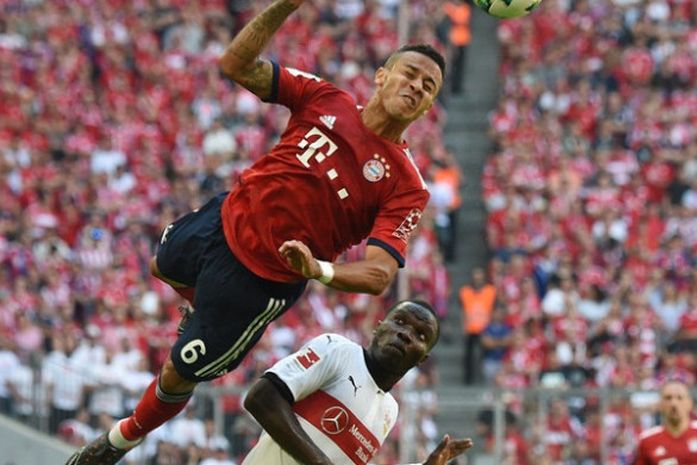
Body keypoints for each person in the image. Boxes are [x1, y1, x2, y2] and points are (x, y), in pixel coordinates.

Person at [65, 0, 445, 463]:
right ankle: (194, 305)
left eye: (428, 87)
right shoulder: (326, 98)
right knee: (158, 265)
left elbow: (379, 274)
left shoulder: (406, 184)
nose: (416, 87)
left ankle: (118, 440)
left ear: (427, 108)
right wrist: (286, 5)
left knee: (178, 373)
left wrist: (318, 269)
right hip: (222, 220)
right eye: (409, 73)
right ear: (381, 76)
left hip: (257, 282)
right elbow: (235, 64)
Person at [241, 300, 472, 465]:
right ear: (378, 326)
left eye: (421, 335)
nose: (405, 334)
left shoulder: (389, 411)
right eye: (399, 321)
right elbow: (261, 398)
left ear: (422, 359)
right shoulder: (337, 350)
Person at [632, 380, 697, 465]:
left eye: (680, 398)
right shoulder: (647, 440)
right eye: (668, 398)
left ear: (690, 403)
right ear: (660, 404)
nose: (674, 403)